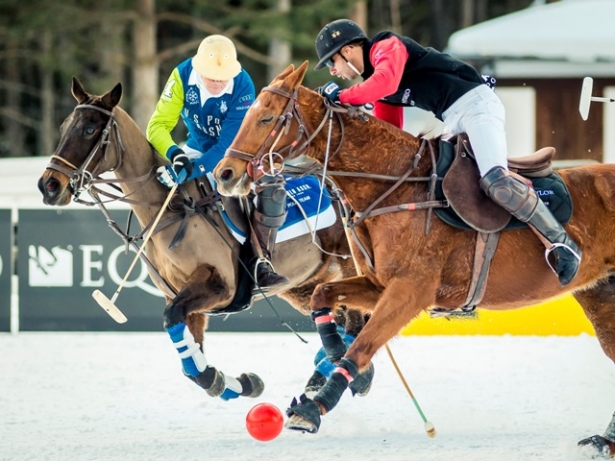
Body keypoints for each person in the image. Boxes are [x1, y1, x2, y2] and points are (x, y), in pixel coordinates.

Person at [313, 19, 581, 286]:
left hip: (477, 106)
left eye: (330, 62)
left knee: (496, 182)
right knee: (440, 185)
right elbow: (387, 132)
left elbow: (385, 81)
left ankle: (561, 243)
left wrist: (342, 97)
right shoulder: (377, 84)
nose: (332, 71)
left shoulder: (386, 46)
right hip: (453, 118)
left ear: (347, 50)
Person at [147, 34, 289, 290]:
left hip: (237, 154)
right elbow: (157, 125)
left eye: (222, 79)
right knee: (158, 185)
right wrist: (174, 155)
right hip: (194, 147)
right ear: (199, 69)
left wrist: (192, 170)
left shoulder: (242, 84)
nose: (217, 83)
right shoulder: (182, 75)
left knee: (252, 194)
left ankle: (260, 261)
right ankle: (155, 250)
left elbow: (227, 146)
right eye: (211, 78)